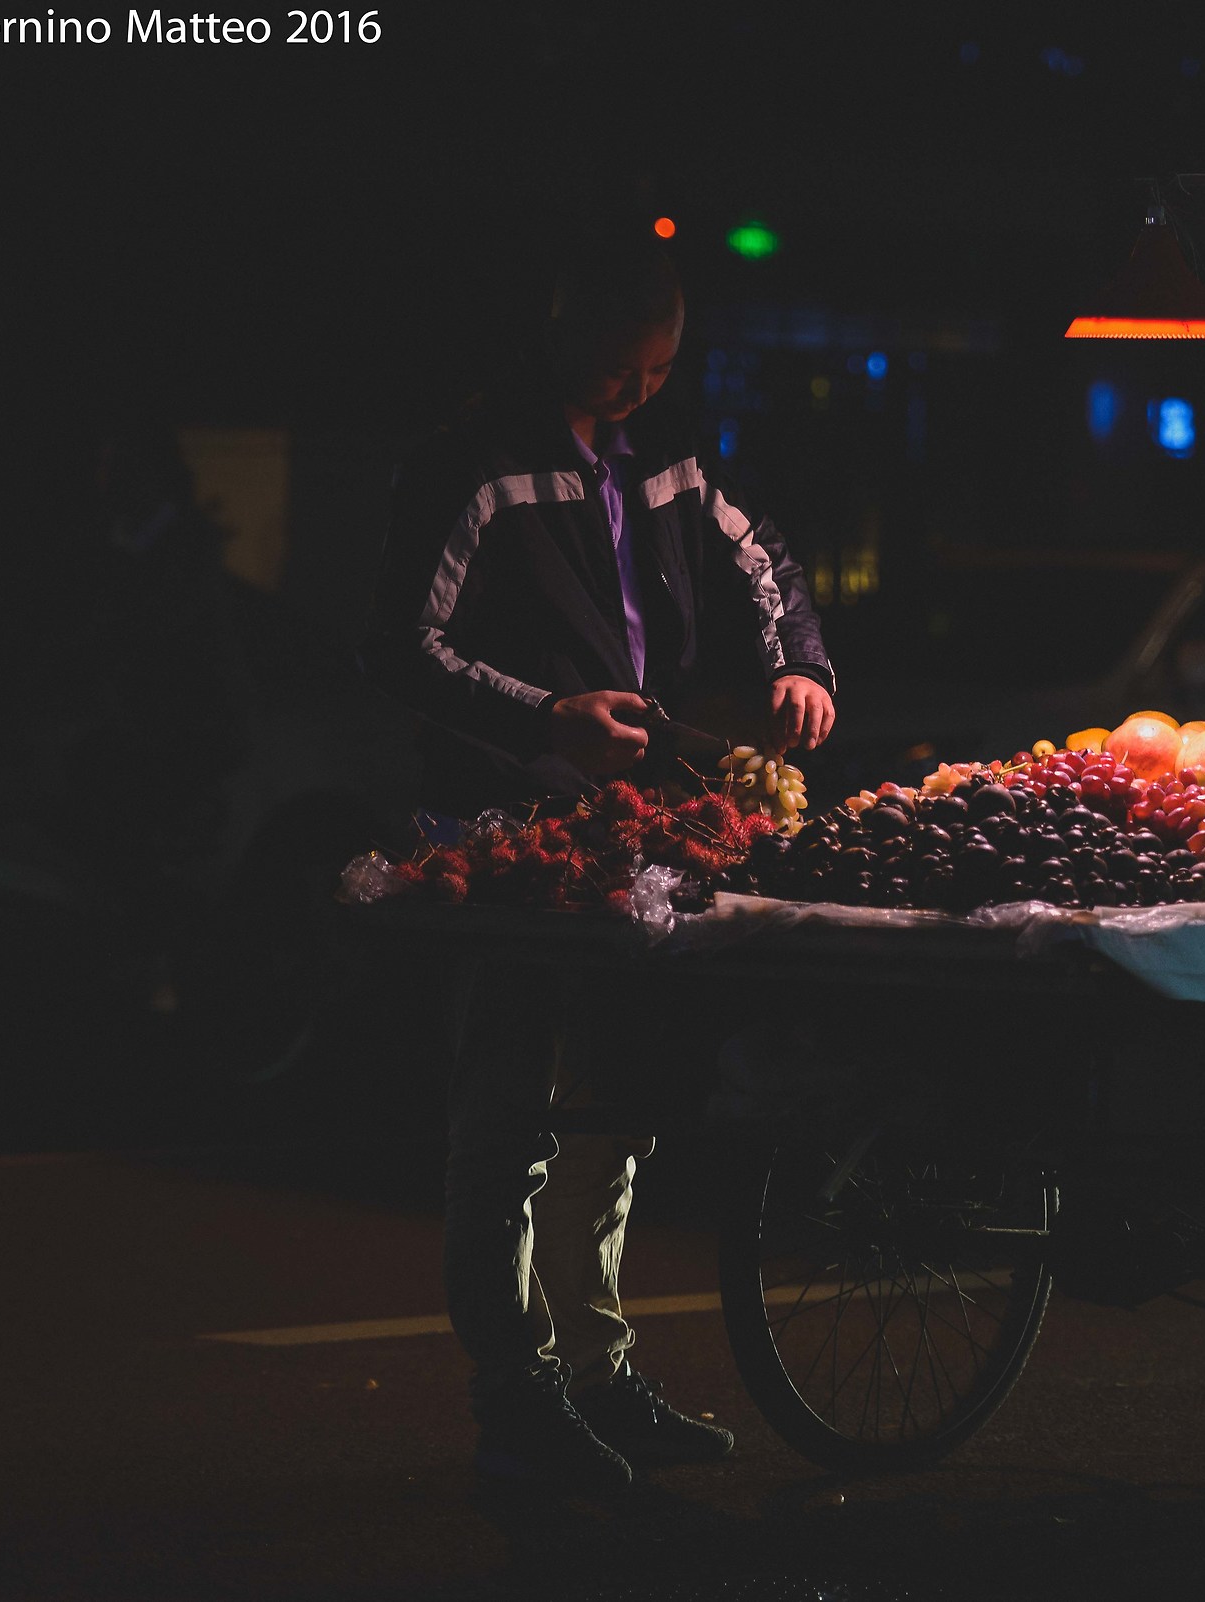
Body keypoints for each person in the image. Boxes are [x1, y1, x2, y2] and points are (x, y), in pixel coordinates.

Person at [363, 227, 835, 1494]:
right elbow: (402, 647)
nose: (634, 392)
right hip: (502, 830)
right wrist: (542, 717)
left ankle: (596, 1372)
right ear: (560, 334)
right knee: (508, 1119)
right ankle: (514, 1397)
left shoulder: (670, 457)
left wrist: (799, 661)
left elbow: (767, 559)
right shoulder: (470, 467)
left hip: (631, 837)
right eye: (617, 370)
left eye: (657, 371)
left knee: (614, 1115)